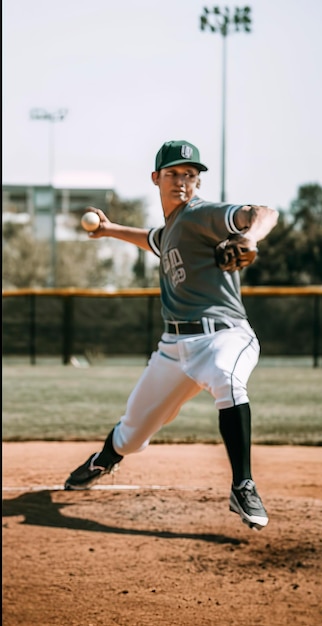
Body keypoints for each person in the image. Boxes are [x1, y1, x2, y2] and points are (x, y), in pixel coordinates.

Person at [64, 139, 279, 531]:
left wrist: (250, 239)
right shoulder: (173, 229)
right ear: (156, 178)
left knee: (227, 380)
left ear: (197, 183)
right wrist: (110, 229)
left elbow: (262, 212)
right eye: (173, 174)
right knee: (130, 433)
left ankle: (242, 484)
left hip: (224, 335)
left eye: (189, 175)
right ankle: (104, 460)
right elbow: (152, 240)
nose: (182, 181)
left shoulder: (200, 214)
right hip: (173, 349)